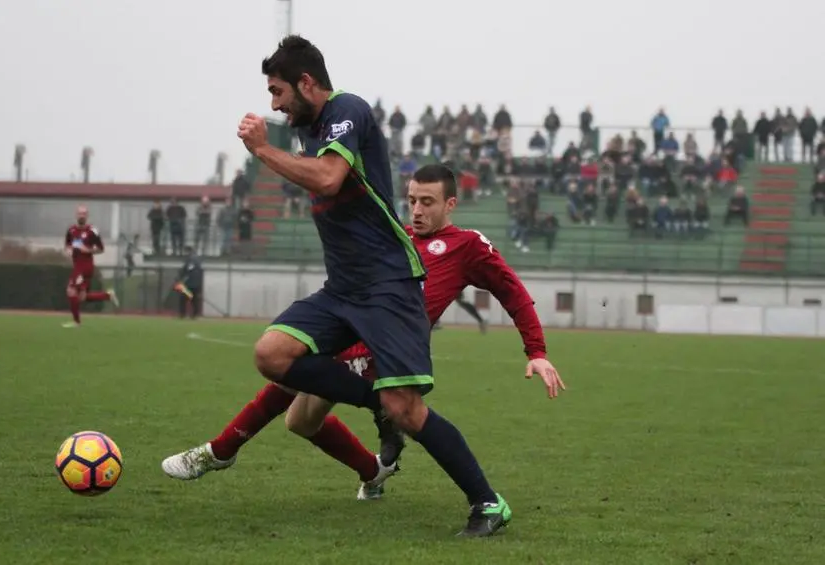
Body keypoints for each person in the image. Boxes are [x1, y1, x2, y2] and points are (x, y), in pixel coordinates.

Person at [162, 164, 565, 537]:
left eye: (427, 202)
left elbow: (512, 290)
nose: (417, 210)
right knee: (299, 420)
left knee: (307, 382)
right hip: (348, 338)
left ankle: (219, 450)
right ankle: (374, 469)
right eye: (411, 201)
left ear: (450, 204)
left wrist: (537, 350)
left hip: (388, 354)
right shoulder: (395, 237)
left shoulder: (467, 245)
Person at [62, 205, 118, 328]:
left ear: (87, 216)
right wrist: (68, 250)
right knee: (82, 297)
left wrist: (87, 250)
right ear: (76, 215)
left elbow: (101, 249)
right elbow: (67, 245)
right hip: (77, 266)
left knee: (71, 291)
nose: (81, 216)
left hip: (85, 267)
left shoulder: (92, 231)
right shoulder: (71, 230)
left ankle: (76, 322)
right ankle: (107, 295)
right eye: (80, 213)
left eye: (84, 214)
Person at [176, 246, 203, 319]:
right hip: (196, 284)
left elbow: (187, 271)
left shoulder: (190, 259)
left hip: (189, 284)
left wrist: (181, 280)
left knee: (183, 299)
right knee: (194, 300)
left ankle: (183, 314)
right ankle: (195, 315)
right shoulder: (198, 260)